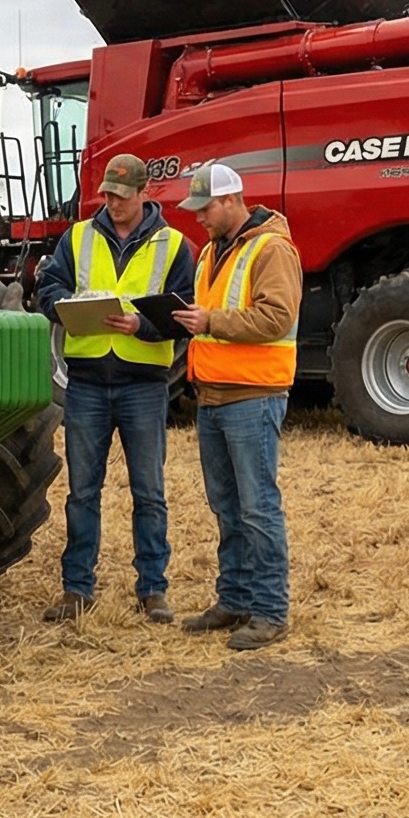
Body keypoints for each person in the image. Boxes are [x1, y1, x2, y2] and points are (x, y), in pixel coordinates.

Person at [33, 152, 197, 623]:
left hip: (144, 385)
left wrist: (140, 326)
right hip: (86, 383)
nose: (113, 202)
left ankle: (153, 590)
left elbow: (185, 315)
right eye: (108, 194)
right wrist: (68, 306)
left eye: (123, 195)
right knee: (82, 492)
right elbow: (47, 290)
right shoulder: (77, 237)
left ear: (145, 193)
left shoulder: (173, 246)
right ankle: (76, 590)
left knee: (149, 492)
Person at [168, 162, 300, 651]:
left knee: (258, 508)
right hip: (214, 395)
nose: (198, 217)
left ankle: (269, 611)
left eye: (205, 208)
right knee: (227, 507)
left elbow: (276, 318)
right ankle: (235, 599)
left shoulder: (272, 249)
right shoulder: (211, 251)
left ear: (230, 201)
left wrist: (210, 322)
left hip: (252, 396)